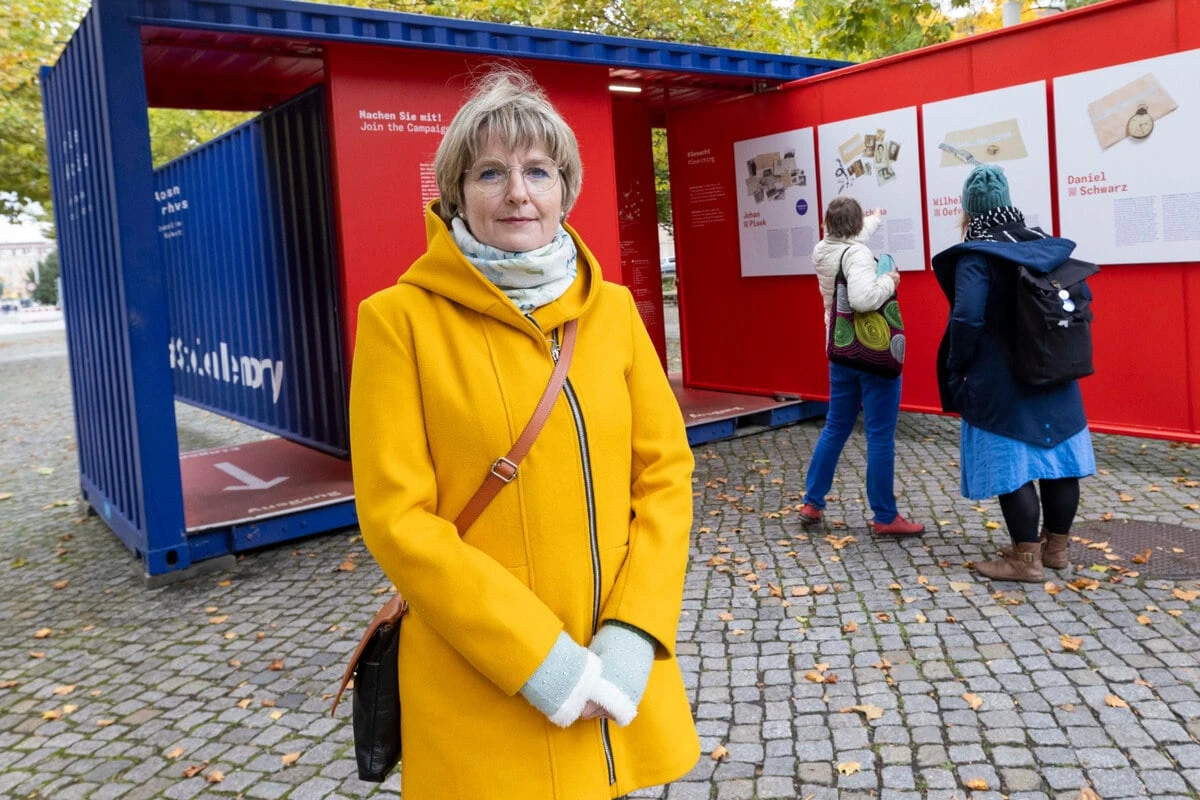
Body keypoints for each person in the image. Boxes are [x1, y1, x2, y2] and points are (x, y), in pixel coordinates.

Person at [348, 68, 699, 800]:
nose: (518, 192)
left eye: (538, 170)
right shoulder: (398, 323)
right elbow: (397, 520)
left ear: (564, 189)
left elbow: (664, 475)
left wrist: (635, 630)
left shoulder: (611, 312)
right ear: (455, 194)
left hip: (614, 670)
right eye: (491, 172)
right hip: (483, 682)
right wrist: (541, 661)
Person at [932, 164, 1095, 582]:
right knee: (1061, 463)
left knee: (1013, 466)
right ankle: (1056, 548)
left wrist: (959, 364)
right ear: (1007, 203)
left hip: (1003, 379)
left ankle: (1026, 560)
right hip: (1055, 367)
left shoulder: (977, 256)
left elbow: (966, 317)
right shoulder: (1046, 246)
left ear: (969, 211)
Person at [799, 197, 926, 536]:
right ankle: (885, 516)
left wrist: (874, 219)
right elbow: (863, 299)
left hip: (840, 348)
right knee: (880, 435)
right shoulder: (856, 255)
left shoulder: (823, 250)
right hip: (871, 351)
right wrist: (890, 280)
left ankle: (812, 501)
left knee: (835, 426)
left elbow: (852, 240)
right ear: (854, 226)